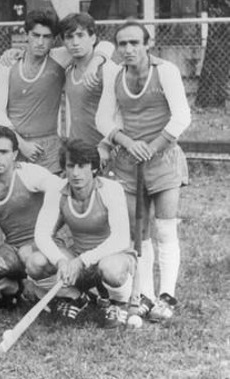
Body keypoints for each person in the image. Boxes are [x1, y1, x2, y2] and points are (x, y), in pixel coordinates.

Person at [96, 20, 191, 321]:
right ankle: (146, 295)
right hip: (129, 162)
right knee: (139, 233)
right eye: (122, 43)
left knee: (165, 228)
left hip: (163, 159)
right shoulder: (115, 75)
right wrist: (127, 142)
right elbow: (102, 119)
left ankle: (167, 297)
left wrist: (151, 147)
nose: (128, 49)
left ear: (147, 44)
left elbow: (181, 117)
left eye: (134, 43)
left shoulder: (166, 71)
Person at [27, 139, 136, 328]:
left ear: (94, 167)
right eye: (71, 166)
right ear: (64, 168)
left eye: (82, 166)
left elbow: (121, 238)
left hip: (112, 258)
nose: (76, 173)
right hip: (78, 259)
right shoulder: (57, 190)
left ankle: (118, 303)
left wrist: (82, 261)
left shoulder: (111, 189)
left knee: (110, 268)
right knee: (35, 263)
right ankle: (75, 297)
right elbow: (41, 235)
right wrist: (60, 261)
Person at [0, 9, 112, 173]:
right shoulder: (9, 62)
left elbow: (106, 45)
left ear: (55, 39)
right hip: (13, 144)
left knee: (53, 187)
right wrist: (20, 143)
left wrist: (95, 63)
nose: (40, 42)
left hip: (48, 147)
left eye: (46, 37)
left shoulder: (59, 57)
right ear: (26, 35)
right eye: (35, 35)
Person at [0, 126, 61, 304]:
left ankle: (64, 295)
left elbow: (60, 191)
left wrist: (43, 238)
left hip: (44, 245)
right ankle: (13, 288)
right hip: (13, 247)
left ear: (15, 154)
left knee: (32, 258)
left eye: (4, 152)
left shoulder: (30, 173)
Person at [59, 12, 121, 168]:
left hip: (104, 151)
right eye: (69, 37)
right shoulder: (68, 71)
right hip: (78, 150)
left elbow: (121, 112)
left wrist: (107, 145)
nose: (75, 42)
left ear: (93, 38)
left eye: (81, 35)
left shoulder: (108, 69)